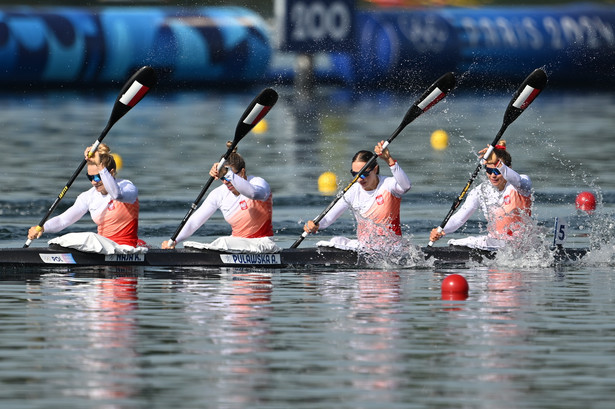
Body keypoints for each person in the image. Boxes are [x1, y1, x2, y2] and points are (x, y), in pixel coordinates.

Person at [162, 143, 273, 249]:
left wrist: (226, 173)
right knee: (214, 243)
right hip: (235, 244)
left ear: (242, 172)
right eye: (222, 178)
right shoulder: (218, 194)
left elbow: (253, 194)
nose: (225, 182)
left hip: (263, 244)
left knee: (222, 242)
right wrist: (174, 241)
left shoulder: (258, 183)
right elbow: (194, 222)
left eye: (228, 177)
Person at [303, 141, 411, 249]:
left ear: (375, 169)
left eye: (364, 173)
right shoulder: (352, 191)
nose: (359, 179)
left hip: (392, 248)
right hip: (365, 248)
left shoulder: (389, 185)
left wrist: (389, 159)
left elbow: (406, 186)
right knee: (336, 241)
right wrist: (315, 224)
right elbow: (328, 218)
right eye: (355, 174)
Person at [28, 143, 140, 246]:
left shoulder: (127, 187)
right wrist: (42, 228)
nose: (93, 182)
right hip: (103, 247)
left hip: (127, 247)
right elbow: (63, 220)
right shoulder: (88, 196)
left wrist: (100, 166)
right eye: (90, 177)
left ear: (110, 173)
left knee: (89, 237)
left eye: (97, 176)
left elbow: (116, 195)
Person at [429, 140, 532, 250]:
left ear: (508, 168)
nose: (493, 175)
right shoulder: (481, 190)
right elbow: (459, 219)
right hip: (494, 244)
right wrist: (441, 230)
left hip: (520, 245)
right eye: (489, 170)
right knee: (454, 244)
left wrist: (498, 162)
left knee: (460, 243)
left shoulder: (520, 184)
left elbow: (518, 181)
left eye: (497, 171)